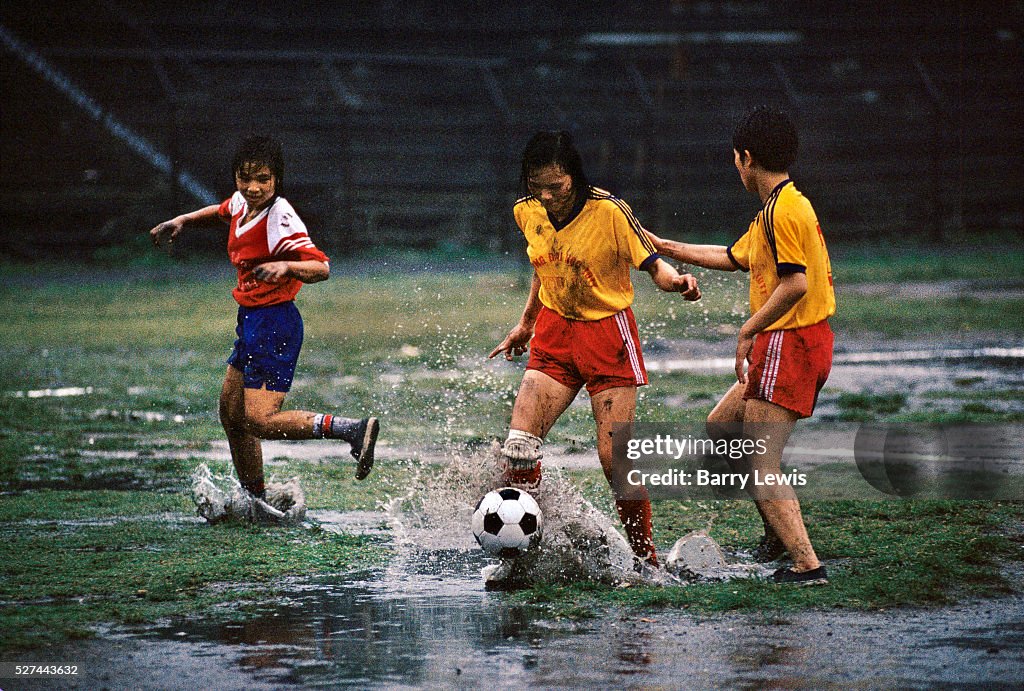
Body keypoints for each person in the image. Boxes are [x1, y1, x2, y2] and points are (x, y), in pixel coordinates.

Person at [489, 131, 701, 568]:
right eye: (536, 187)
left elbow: (651, 264)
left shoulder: (609, 211)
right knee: (519, 449)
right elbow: (543, 266)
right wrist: (526, 323)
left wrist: (676, 281)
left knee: (615, 461)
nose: (546, 197)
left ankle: (647, 563)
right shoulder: (525, 211)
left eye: (556, 186)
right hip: (553, 333)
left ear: (574, 177)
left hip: (608, 336)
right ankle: (521, 557)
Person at [646, 106, 834, 585]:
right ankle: (777, 530)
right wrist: (664, 246)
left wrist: (748, 330)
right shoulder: (779, 208)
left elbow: (796, 284)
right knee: (721, 424)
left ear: (746, 158)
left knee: (758, 458)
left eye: (736, 159)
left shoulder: (783, 211)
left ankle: (806, 565)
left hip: (789, 343)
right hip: (792, 342)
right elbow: (731, 257)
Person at [150, 135, 379, 513]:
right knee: (230, 412)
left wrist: (287, 266)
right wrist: (183, 220)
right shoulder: (244, 202)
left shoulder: (281, 217)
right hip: (252, 322)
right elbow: (223, 209)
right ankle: (255, 499)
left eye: (263, 179)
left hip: (275, 324)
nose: (253, 187)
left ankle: (351, 430)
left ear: (277, 180)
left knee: (259, 420)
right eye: (245, 178)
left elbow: (321, 267)